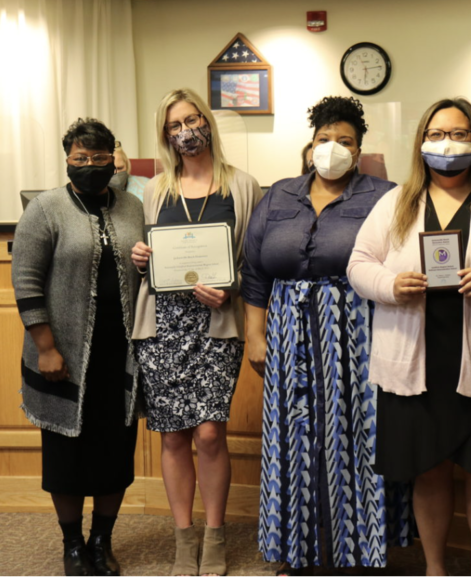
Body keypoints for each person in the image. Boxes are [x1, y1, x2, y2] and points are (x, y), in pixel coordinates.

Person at [347, 98, 471, 576]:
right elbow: (359, 264)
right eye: (437, 134)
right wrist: (390, 286)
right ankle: (435, 569)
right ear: (421, 141)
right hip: (417, 360)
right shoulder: (397, 202)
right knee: (429, 469)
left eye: (460, 134)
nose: (448, 143)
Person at [241, 96, 409, 573]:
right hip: (287, 333)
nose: (332, 147)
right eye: (324, 139)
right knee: (291, 439)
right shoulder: (279, 195)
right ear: (310, 144)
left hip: (359, 334)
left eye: (345, 141)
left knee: (356, 439)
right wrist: (255, 334)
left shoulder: (384, 195)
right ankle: (296, 552)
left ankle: (359, 552)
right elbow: (254, 270)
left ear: (359, 150)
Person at [130, 88, 263, 576]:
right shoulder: (154, 189)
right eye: (175, 125)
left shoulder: (243, 185)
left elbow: (256, 261)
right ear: (165, 135)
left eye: (192, 120)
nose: (186, 131)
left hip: (216, 324)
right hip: (162, 324)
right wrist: (140, 258)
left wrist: (231, 290)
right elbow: (148, 256)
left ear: (207, 122)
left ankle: (215, 535)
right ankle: (184, 537)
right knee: (172, 436)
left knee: (209, 433)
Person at [12, 118, 145, 576]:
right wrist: (45, 347)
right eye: (80, 157)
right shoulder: (46, 209)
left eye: (99, 157)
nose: (90, 164)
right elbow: (26, 281)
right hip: (64, 356)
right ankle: (72, 545)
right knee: (66, 457)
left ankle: (101, 541)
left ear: (113, 159)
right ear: (67, 159)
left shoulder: (132, 206)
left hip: (119, 356)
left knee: (115, 454)